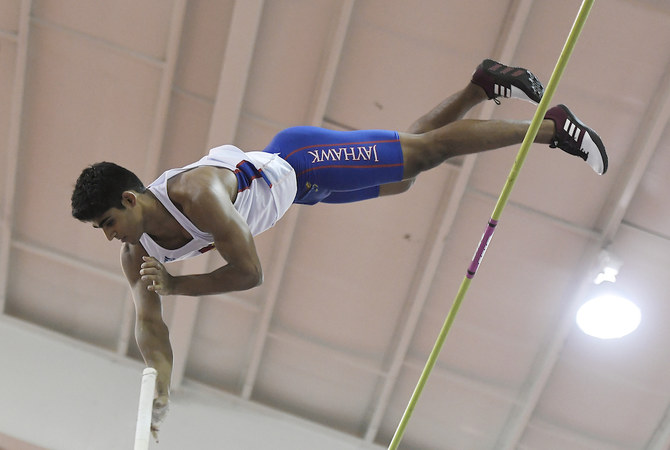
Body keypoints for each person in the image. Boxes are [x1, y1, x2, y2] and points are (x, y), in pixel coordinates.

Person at [70, 59, 607, 435]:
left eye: (109, 223)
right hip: (301, 192)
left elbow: (250, 272)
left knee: (423, 154)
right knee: (405, 175)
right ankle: (483, 85)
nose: (110, 236)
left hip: (301, 161)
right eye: (101, 230)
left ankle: (551, 127)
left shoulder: (197, 194)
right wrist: (160, 381)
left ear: (131, 199)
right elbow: (150, 322)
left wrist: (179, 285)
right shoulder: (135, 253)